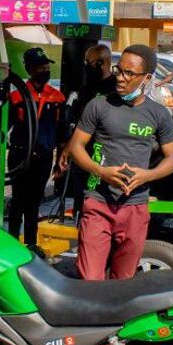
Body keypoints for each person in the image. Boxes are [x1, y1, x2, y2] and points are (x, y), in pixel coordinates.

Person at [69, 44, 173, 280]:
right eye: (119, 71)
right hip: (98, 203)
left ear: (147, 78)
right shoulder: (98, 106)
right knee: (90, 280)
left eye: (130, 74)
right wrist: (101, 172)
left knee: (124, 280)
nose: (121, 78)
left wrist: (146, 175)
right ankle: (91, 317)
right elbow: (75, 147)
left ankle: (116, 319)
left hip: (135, 208)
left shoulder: (159, 114)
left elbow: (171, 160)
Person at [8, 47, 66, 249]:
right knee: (17, 203)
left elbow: (61, 132)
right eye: (39, 67)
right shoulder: (17, 97)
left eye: (45, 66)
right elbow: (3, 128)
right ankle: (12, 243)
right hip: (20, 156)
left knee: (33, 204)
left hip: (43, 158)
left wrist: (61, 159)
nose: (44, 70)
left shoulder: (57, 97)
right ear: (30, 70)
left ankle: (31, 245)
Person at [62, 44, 117, 216]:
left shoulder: (116, 89)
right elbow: (77, 122)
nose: (87, 66)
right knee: (82, 201)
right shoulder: (86, 89)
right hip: (83, 155)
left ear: (102, 63)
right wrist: (67, 149)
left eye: (89, 62)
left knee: (101, 202)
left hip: (106, 156)